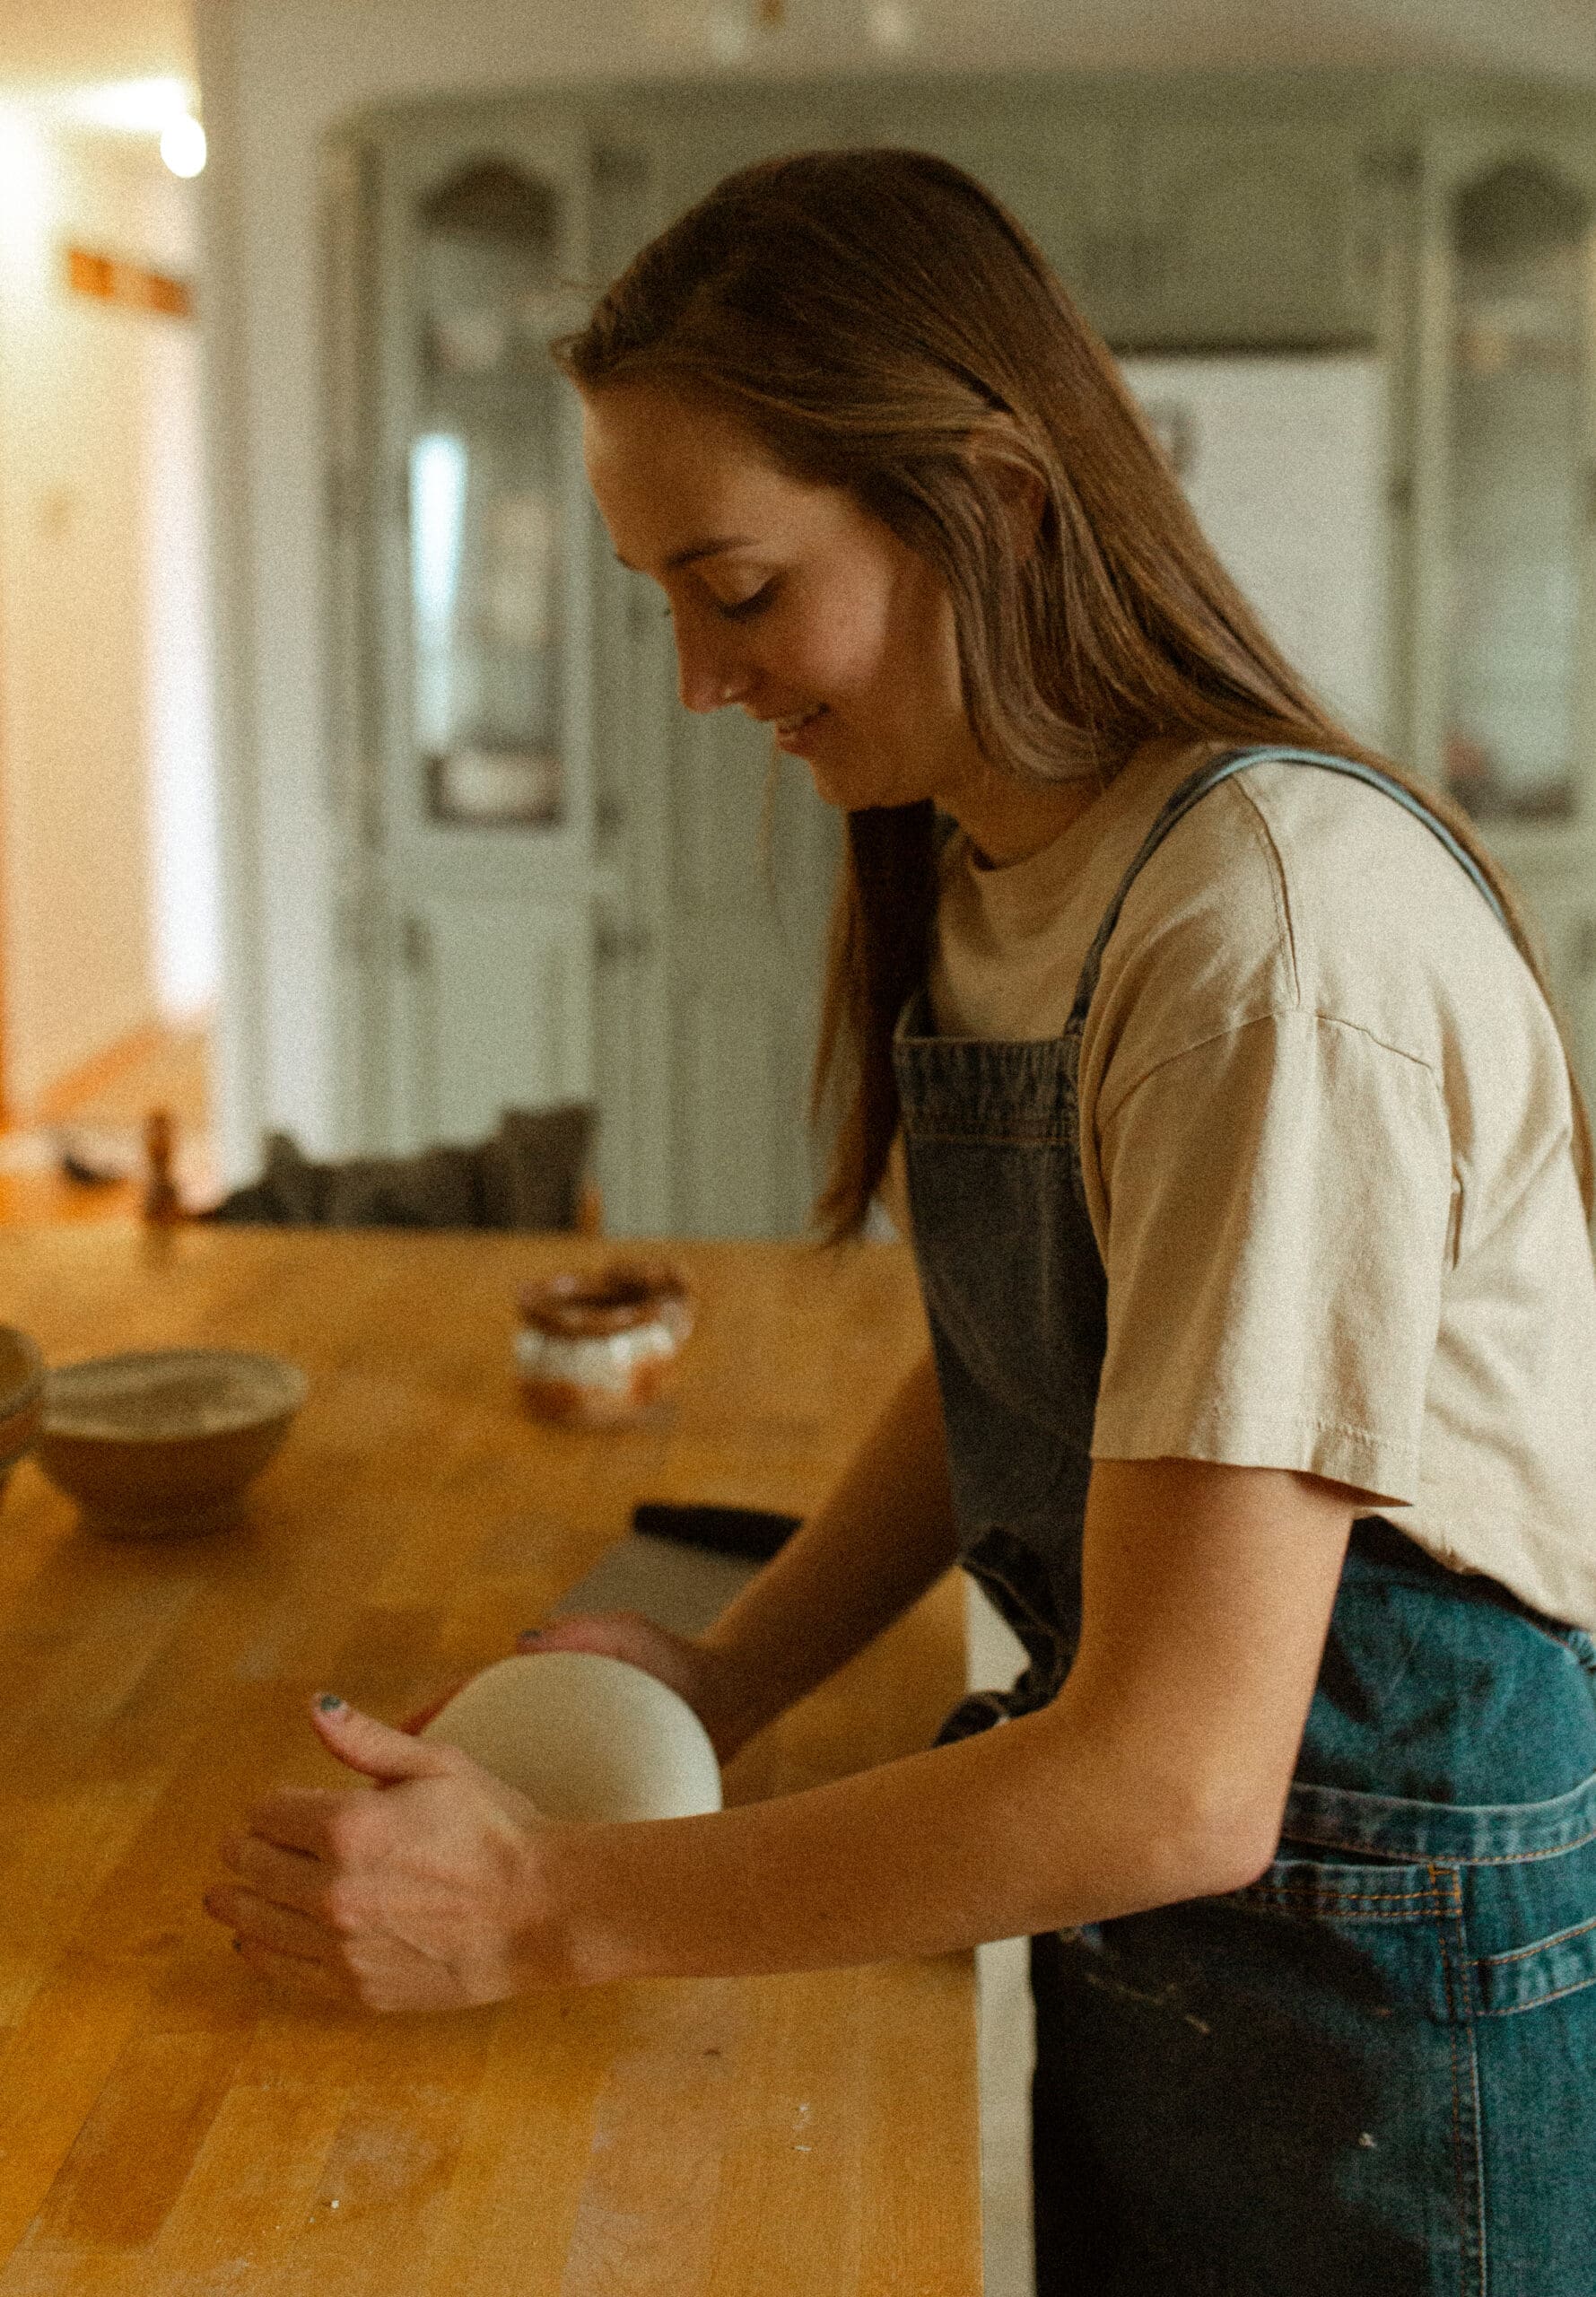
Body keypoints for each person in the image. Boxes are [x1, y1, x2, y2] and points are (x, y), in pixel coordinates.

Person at [207, 149, 1596, 2293]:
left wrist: (536, 1907)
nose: (693, 680)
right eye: (659, 599)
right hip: (1167, 1942)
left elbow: (1166, 1779)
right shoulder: (998, 858)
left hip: (1386, 1994)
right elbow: (1033, 1383)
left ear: (992, 500)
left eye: (737, 589)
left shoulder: (1260, 945)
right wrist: (721, 1669)